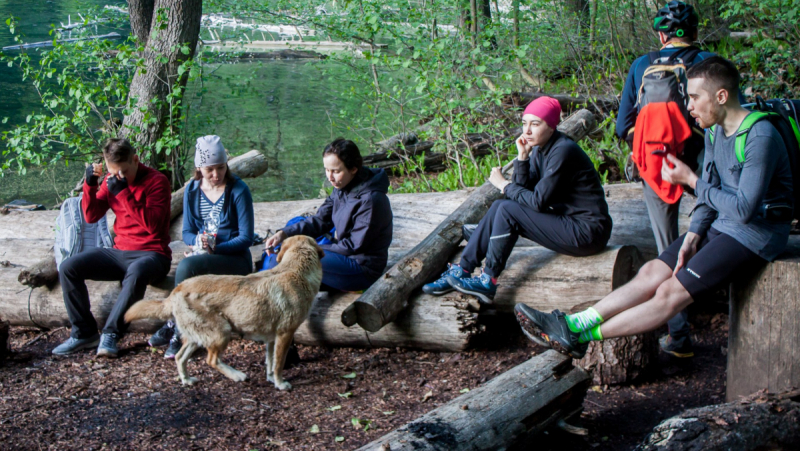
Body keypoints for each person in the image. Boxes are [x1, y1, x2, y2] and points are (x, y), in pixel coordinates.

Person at [517, 57, 793, 359]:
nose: (688, 105)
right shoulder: (715, 131)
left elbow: (743, 209)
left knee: (668, 293)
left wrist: (691, 179)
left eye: (694, 97)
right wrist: (695, 232)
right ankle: (572, 323)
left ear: (721, 97)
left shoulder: (759, 136)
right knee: (651, 271)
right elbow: (712, 192)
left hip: (756, 234)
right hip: (723, 225)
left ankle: (585, 336)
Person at [423, 96, 613, 303]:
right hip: (568, 222)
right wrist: (522, 158)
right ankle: (463, 269)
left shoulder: (563, 151)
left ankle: (488, 280)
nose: (527, 131)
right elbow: (523, 192)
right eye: (524, 123)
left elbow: (536, 202)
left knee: (505, 209)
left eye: (535, 124)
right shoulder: (541, 149)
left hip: (587, 232)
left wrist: (504, 184)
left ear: (551, 126)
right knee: (500, 206)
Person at [616, 0, 716, 358]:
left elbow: (622, 125)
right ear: (694, 32)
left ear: (661, 33)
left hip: (657, 163)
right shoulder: (710, 63)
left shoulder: (642, 64)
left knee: (666, 247)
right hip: (706, 159)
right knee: (728, 228)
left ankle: (679, 337)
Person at [52, 138, 172, 358]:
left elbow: (153, 227)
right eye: (113, 172)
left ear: (135, 160)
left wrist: (123, 193)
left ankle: (111, 334)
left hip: (153, 254)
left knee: (137, 270)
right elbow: (91, 215)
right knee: (69, 266)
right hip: (118, 253)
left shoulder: (157, 181)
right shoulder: (111, 180)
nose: (119, 177)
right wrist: (89, 186)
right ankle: (84, 334)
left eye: (124, 172)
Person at [148, 135, 255, 358]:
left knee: (187, 267)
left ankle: (177, 329)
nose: (216, 175)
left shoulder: (238, 190)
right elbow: (187, 232)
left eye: (221, 168)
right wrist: (198, 245)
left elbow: (246, 238)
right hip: (205, 254)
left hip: (235, 259)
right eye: (210, 170)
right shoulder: (192, 190)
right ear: (199, 168)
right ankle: (178, 324)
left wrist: (214, 248)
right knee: (189, 265)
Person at [262, 138, 393, 291]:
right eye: (327, 170)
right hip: (343, 255)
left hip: (361, 268)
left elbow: (353, 247)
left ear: (353, 169)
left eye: (336, 171)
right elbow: (320, 220)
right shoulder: (342, 185)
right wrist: (284, 234)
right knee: (286, 250)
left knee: (294, 258)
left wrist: (306, 247)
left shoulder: (371, 200)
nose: (330, 177)